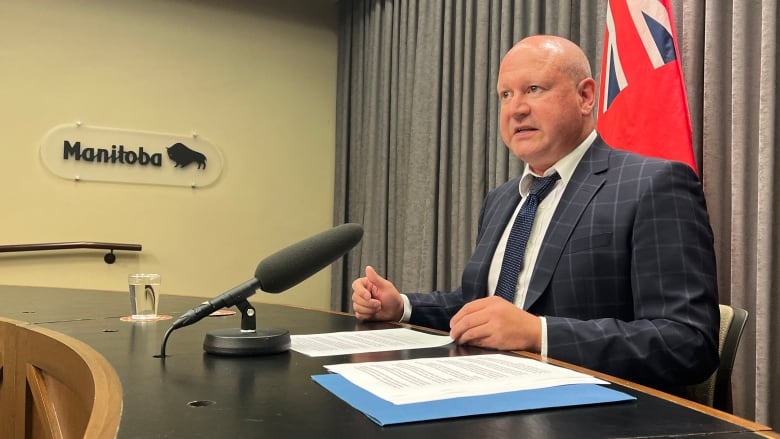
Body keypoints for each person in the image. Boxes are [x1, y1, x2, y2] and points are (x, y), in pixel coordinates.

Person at [351, 34, 720, 395]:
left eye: (534, 89)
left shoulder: (654, 184)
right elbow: (478, 306)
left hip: (598, 416)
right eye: (505, 95)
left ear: (586, 96)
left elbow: (687, 342)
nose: (516, 108)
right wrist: (401, 305)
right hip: (486, 391)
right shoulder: (502, 199)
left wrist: (538, 334)